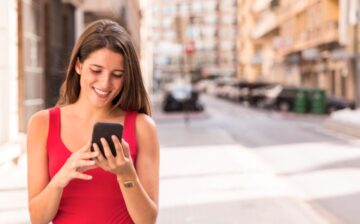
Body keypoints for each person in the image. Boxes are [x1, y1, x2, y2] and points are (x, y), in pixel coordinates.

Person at [26, 19, 159, 224]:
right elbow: (37, 219)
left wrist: (125, 174)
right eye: (96, 70)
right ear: (79, 65)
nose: (105, 83)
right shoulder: (42, 124)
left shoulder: (142, 127)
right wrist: (60, 180)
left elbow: (147, 221)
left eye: (117, 75)